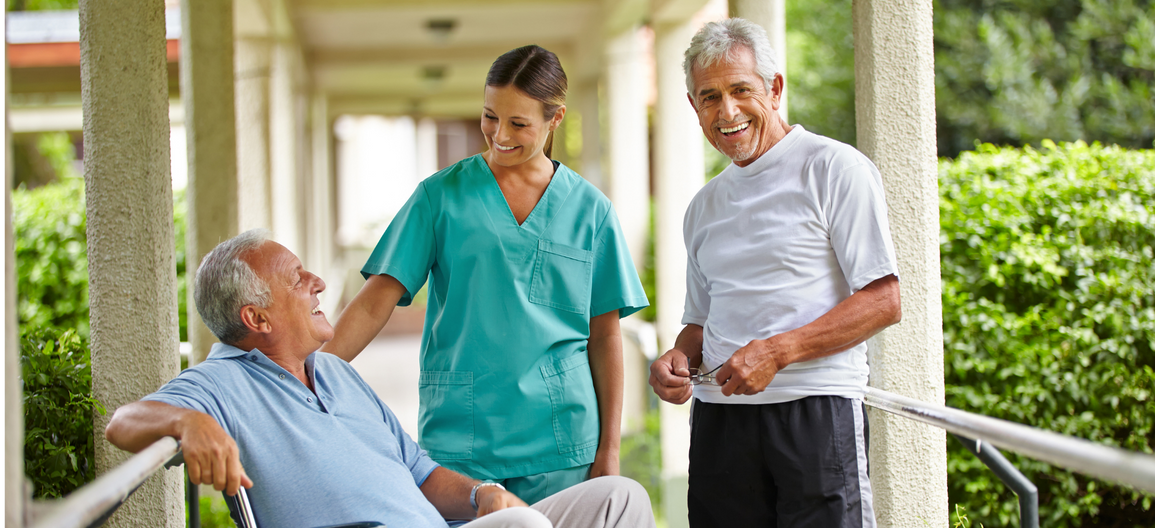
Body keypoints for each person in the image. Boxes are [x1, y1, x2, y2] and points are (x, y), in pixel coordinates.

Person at [105, 230, 656, 528]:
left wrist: (484, 495)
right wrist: (187, 422)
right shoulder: (221, 384)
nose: (319, 282)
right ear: (257, 319)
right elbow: (122, 423)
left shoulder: (338, 376)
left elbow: (420, 473)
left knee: (618, 499)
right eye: (299, 279)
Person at [322, 45, 648, 505]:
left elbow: (605, 334)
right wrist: (309, 375)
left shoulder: (590, 210)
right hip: (464, 441)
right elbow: (377, 299)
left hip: (560, 442)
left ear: (555, 120)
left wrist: (608, 450)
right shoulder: (440, 198)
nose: (499, 135)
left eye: (519, 124)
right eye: (490, 116)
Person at [647, 18, 902, 528]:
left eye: (741, 90)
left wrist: (778, 351)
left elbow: (883, 300)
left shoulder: (835, 169)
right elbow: (700, 321)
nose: (728, 111)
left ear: (775, 89)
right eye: (709, 97)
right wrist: (677, 356)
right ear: (695, 107)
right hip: (720, 419)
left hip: (815, 412)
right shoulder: (703, 206)